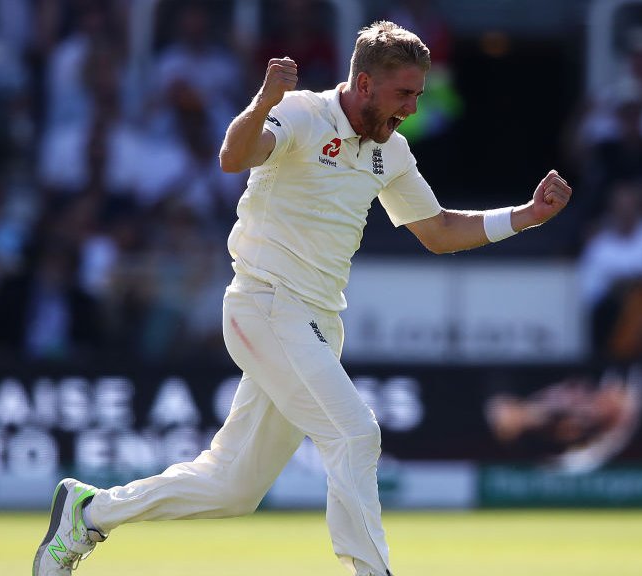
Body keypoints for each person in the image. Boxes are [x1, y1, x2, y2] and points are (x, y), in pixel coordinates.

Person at [32, 21, 572, 576]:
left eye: (417, 93)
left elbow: (436, 231)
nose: (411, 107)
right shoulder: (302, 114)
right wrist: (265, 100)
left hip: (315, 323)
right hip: (264, 304)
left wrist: (527, 216)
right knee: (357, 433)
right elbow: (233, 157)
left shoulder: (392, 151)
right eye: (402, 94)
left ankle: (90, 511)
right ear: (364, 83)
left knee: (232, 487)